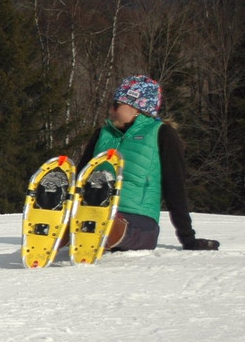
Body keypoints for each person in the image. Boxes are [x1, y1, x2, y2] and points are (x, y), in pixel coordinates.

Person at [76, 74, 218, 252]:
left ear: (137, 107)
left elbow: (175, 188)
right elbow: (80, 178)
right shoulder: (102, 134)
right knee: (88, 215)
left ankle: (102, 230)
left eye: (117, 105)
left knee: (113, 224)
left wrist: (189, 240)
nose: (111, 110)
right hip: (93, 211)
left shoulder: (162, 134)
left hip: (138, 220)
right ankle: (71, 228)